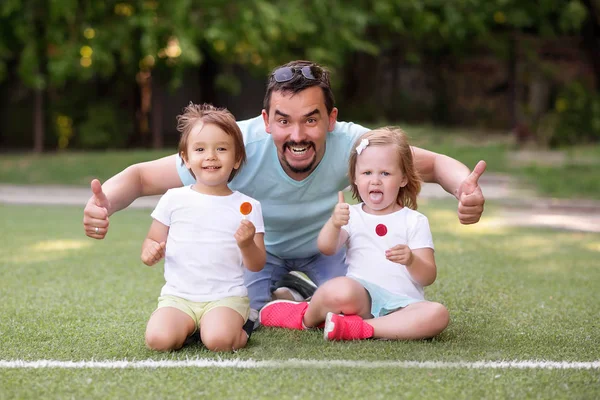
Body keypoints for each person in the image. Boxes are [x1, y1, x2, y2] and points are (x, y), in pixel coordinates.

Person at [83, 60, 486, 315]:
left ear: (331, 119)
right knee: (249, 315)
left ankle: (305, 294)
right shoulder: (234, 145)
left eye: (311, 120)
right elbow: (140, 178)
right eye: (283, 120)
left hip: (329, 251)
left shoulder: (354, 144)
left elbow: (432, 165)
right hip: (261, 252)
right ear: (265, 120)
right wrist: (105, 205)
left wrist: (463, 188)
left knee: (353, 308)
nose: (297, 134)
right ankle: (288, 290)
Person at [259, 127, 449, 341]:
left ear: (403, 178)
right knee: (340, 289)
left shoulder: (414, 221)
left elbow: (427, 276)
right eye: (367, 173)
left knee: (437, 314)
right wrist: (334, 224)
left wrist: (411, 260)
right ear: (355, 179)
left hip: (404, 306)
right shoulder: (352, 215)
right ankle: (304, 317)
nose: (375, 180)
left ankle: (361, 328)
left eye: (385, 173)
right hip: (361, 299)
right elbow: (326, 247)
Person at [140, 103, 266, 352]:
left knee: (219, 341)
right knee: (158, 340)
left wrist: (246, 243)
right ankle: (190, 327)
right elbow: (152, 240)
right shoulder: (173, 198)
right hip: (178, 297)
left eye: (221, 148)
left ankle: (243, 324)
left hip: (225, 298)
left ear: (237, 158)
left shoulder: (247, 206)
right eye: (200, 149)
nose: (211, 156)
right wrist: (149, 252)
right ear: (185, 158)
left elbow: (257, 264)